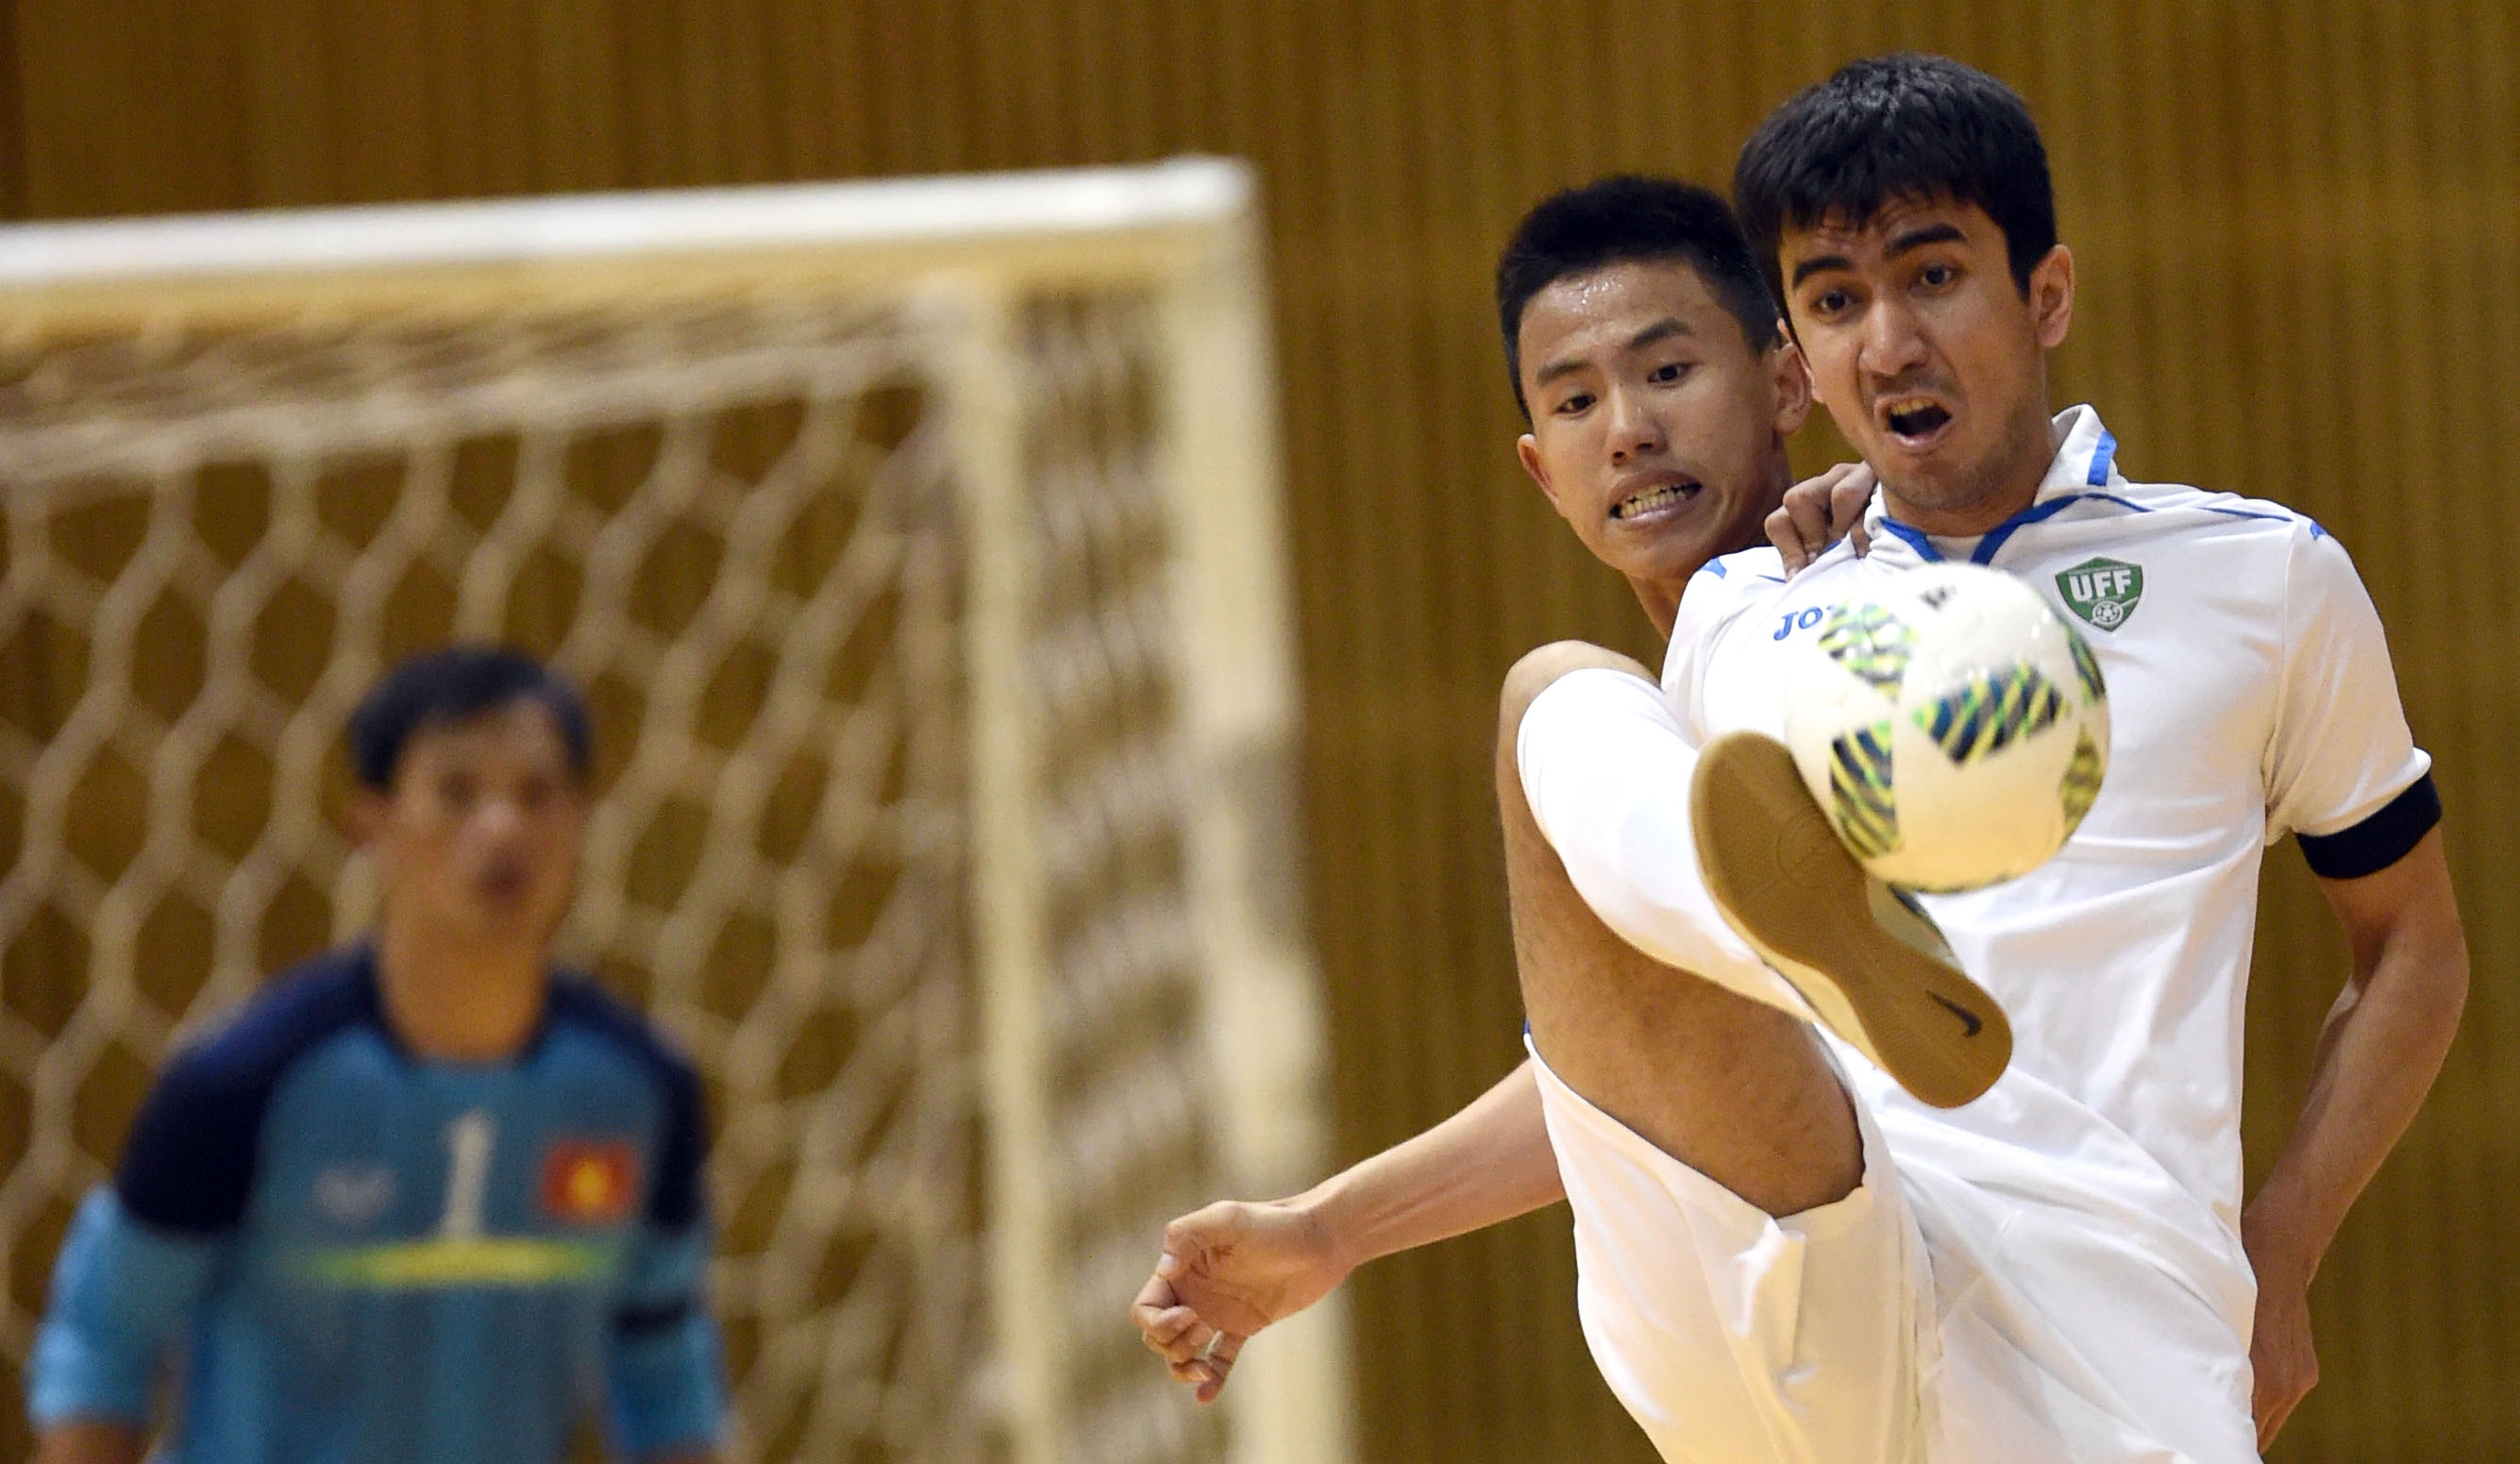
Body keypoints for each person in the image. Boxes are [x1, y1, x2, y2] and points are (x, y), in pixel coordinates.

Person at [1136, 55, 2466, 1463]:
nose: (1887, 339)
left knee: (1596, 742)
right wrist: (1330, 1227)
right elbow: (1643, 1058)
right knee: (1559, 691)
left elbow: (2411, 946)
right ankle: (1794, 948)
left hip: (2110, 1336)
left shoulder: (2259, 579)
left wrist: (2285, 1248)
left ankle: (1794, 950)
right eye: (1836, 299)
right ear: (1800, 354)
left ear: (2048, 293)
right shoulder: (1743, 613)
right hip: (1805, 1255)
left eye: (1933, 276)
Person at [25, 648, 727, 1464]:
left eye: (537, 794)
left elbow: (664, 1373)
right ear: (373, 824)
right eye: (457, 792)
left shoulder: (639, 1089)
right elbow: (104, 1344)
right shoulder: (241, 1084)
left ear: (581, 819)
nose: (502, 828)